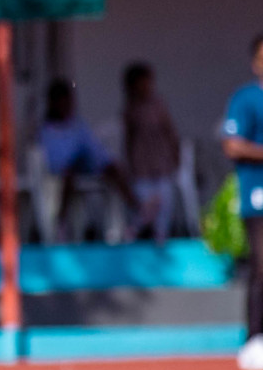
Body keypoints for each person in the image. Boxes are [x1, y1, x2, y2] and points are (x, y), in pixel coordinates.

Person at [40, 79, 136, 241]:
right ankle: (60, 224)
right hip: (62, 173)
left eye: (68, 102)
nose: (66, 106)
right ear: (53, 103)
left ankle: (135, 212)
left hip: (85, 165)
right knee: (68, 174)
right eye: (62, 102)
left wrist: (104, 160)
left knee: (112, 168)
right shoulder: (46, 130)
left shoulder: (78, 125)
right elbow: (52, 160)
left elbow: (94, 149)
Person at [222, 33, 263, 370]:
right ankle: (255, 337)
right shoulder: (246, 99)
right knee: (262, 265)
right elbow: (233, 145)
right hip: (258, 195)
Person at [122, 62, 181, 244]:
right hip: (141, 167)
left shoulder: (159, 106)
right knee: (145, 207)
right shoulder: (130, 110)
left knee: (164, 204)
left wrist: (175, 155)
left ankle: (161, 241)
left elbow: (171, 133)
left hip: (161, 164)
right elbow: (128, 140)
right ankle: (134, 235)